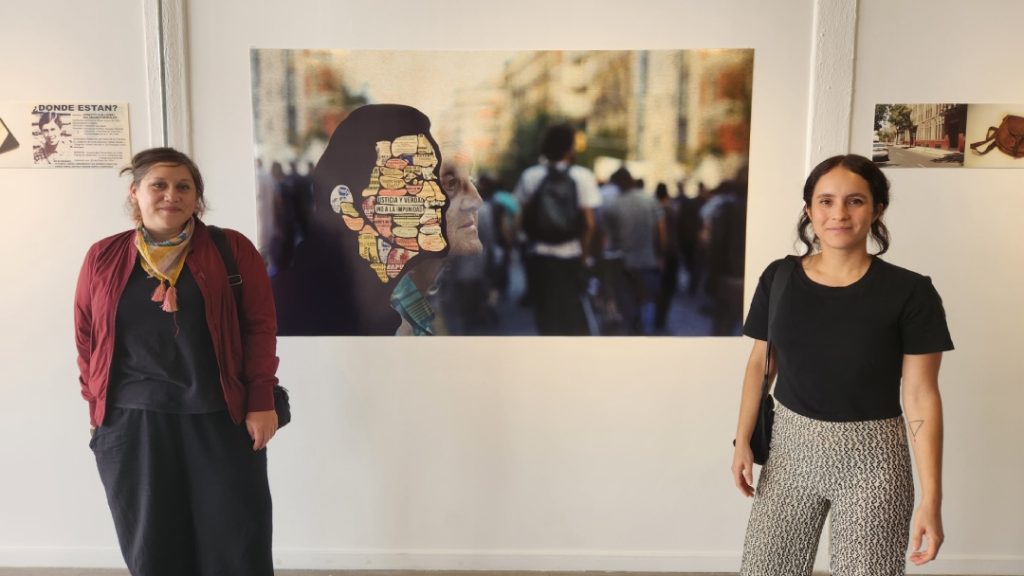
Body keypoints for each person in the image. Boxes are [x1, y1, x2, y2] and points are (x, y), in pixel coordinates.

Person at [731, 154, 953, 575]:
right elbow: (760, 361)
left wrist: (932, 499)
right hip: (790, 453)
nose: (839, 214)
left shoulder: (911, 292)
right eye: (826, 201)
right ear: (809, 209)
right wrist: (741, 439)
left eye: (854, 201)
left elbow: (922, 395)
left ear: (877, 209)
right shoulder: (779, 277)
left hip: (874, 462)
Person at [74, 147, 279, 575]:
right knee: (152, 544)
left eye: (183, 186)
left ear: (197, 198)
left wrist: (262, 401)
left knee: (236, 538)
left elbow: (259, 328)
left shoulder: (232, 250)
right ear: (135, 193)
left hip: (220, 414)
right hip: (132, 420)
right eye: (159, 185)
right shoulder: (103, 256)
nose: (172, 195)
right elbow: (87, 334)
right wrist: (95, 403)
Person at [273, 104, 481, 335]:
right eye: (413, 180)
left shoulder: (386, 307)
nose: (438, 198)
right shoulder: (308, 313)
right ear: (345, 203)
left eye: (431, 178)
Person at [514, 122, 601, 335]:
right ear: (570, 148)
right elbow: (590, 224)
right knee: (573, 317)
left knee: (546, 317)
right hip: (571, 256)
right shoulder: (583, 176)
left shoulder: (530, 175)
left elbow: (520, 217)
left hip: (540, 257)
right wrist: (585, 256)